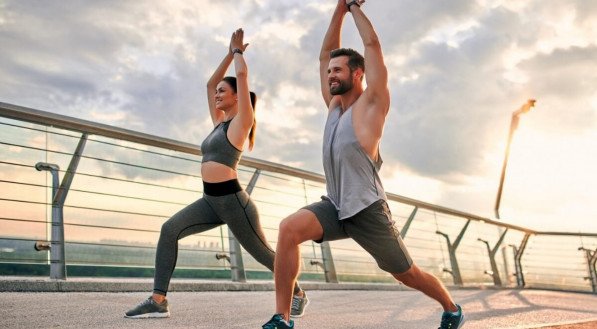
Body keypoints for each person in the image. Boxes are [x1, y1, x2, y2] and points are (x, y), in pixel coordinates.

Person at [262, 1, 465, 328]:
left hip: (368, 210)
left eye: (337, 70)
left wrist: (355, 6)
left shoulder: (372, 105)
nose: (330, 75)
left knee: (406, 274)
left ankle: (451, 308)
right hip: (335, 205)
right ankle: (282, 318)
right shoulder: (333, 106)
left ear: (358, 74)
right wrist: (339, 9)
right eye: (329, 71)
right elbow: (323, 54)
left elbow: (372, 45)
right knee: (288, 229)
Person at [125, 28, 309, 319]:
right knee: (169, 229)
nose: (218, 95)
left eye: (225, 91)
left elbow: (243, 78)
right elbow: (211, 84)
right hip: (210, 201)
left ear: (238, 97)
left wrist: (238, 53)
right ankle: (158, 299)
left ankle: (297, 292)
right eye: (219, 92)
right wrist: (227, 53)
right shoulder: (219, 123)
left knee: (263, 254)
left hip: (235, 203)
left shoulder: (241, 123)